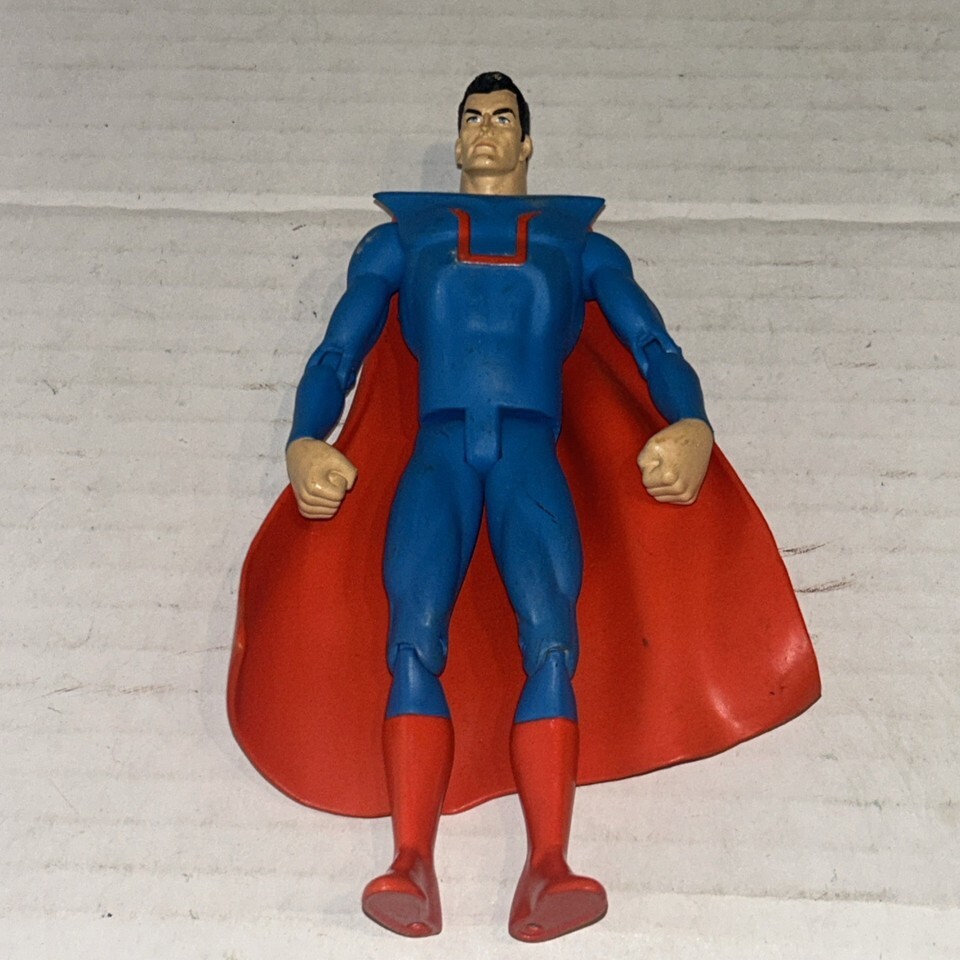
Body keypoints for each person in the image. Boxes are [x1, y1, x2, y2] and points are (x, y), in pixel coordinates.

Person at [284, 71, 715, 942]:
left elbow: (653, 342)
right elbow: (337, 352)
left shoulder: (576, 244)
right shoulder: (404, 239)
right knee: (412, 637)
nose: (485, 130)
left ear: (526, 144)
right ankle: (411, 861)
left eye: (502, 118)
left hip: (529, 452)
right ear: (457, 142)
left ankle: (548, 865)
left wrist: (693, 422)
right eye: (472, 118)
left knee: (552, 639)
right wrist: (303, 438)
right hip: (439, 450)